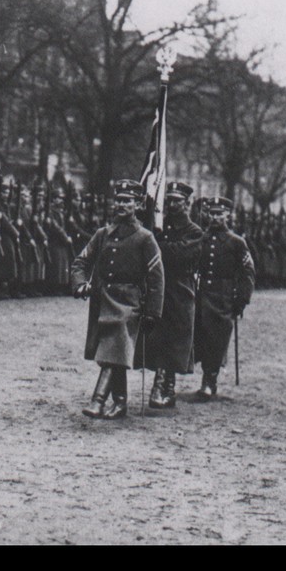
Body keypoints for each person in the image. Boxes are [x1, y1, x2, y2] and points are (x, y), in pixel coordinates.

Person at [71, 180, 164, 419]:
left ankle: (98, 400)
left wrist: (154, 311)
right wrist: (80, 284)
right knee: (116, 350)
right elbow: (80, 262)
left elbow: (156, 277)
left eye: (128, 200)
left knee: (115, 345)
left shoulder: (145, 238)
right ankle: (120, 402)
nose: (122, 204)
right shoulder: (102, 234)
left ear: (138, 204)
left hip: (129, 302)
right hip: (102, 301)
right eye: (120, 199)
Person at [135, 181, 203, 408]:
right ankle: (161, 386)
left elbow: (179, 255)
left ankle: (166, 386)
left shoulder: (194, 231)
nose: (173, 205)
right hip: (160, 289)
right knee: (159, 336)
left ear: (187, 204)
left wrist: (156, 243)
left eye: (178, 201)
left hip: (180, 290)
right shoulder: (159, 227)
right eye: (170, 200)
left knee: (175, 338)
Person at [193, 196, 256, 400]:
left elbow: (248, 273)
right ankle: (206, 377)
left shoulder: (236, 242)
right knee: (202, 336)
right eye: (212, 213)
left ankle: (210, 380)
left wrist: (241, 299)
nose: (215, 217)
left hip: (224, 297)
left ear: (228, 215)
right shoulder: (201, 238)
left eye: (219, 214)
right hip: (202, 295)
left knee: (217, 339)